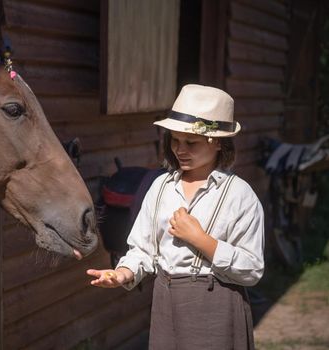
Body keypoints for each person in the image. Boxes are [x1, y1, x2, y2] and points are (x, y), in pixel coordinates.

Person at [87, 84, 264, 350]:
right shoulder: (161, 188)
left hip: (216, 304)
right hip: (166, 303)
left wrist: (201, 240)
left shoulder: (239, 195)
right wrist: (123, 273)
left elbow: (252, 268)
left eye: (190, 143)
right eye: (175, 141)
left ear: (216, 142)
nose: (180, 150)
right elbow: (143, 249)